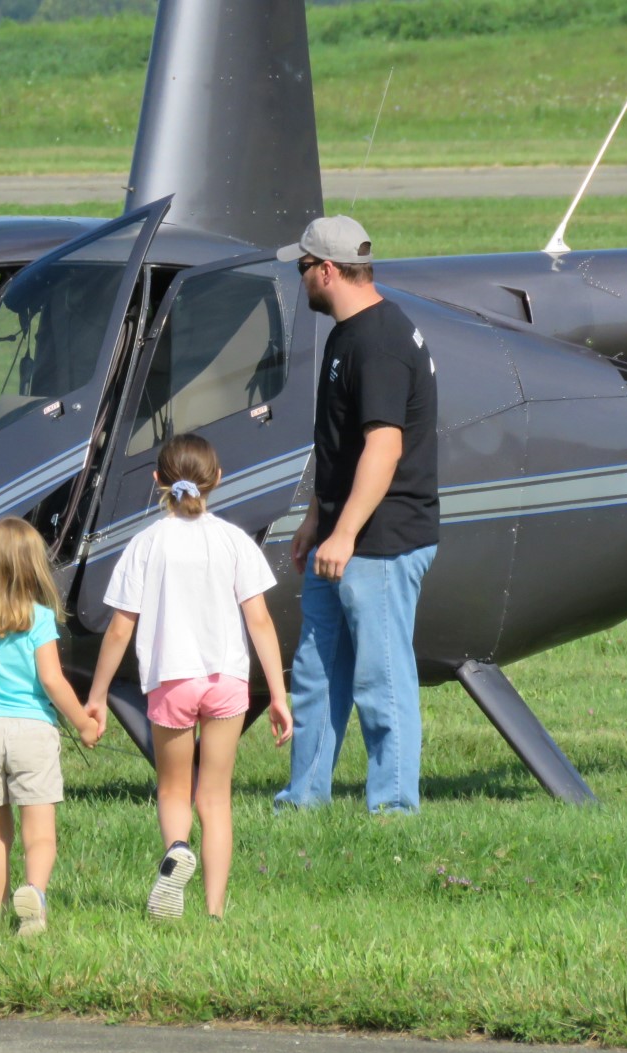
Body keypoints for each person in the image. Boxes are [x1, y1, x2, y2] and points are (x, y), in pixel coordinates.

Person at [85, 435, 292, 920]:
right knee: (216, 798)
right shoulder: (234, 541)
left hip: (171, 681)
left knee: (174, 787)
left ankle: (177, 849)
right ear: (217, 479)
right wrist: (279, 696)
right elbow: (260, 620)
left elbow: (120, 628)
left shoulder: (145, 544)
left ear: (157, 480)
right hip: (226, 681)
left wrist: (96, 695)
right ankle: (215, 911)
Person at [272, 215, 439, 814]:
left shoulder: (380, 341)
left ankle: (394, 810)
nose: (300, 280)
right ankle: (303, 799)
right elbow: (339, 443)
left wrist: (344, 532)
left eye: (302, 269)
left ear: (326, 270)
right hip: (342, 536)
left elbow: (384, 445)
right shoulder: (349, 332)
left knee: (380, 680)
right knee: (316, 672)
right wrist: (318, 517)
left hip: (382, 541)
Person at [0, 517, 103, 937]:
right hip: (31, 731)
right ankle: (34, 893)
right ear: (32, 567)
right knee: (40, 833)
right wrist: (84, 724)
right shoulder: (38, 618)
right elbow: (52, 679)